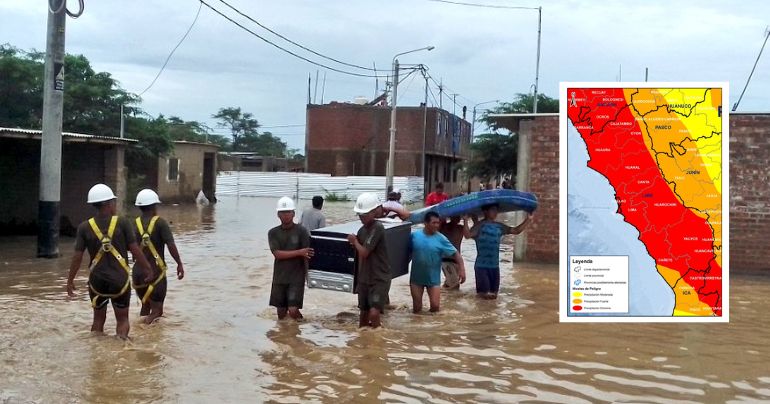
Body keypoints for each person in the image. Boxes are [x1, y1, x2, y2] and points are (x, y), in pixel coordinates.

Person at [67, 183, 153, 340]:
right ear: (108, 204)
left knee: (98, 321)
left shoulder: (84, 227)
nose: (114, 204)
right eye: (113, 201)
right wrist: (148, 269)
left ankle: (97, 355)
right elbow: (135, 250)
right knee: (122, 320)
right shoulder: (123, 223)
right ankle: (120, 352)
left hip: (96, 282)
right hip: (119, 281)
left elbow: (77, 257)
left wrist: (70, 280)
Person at [132, 189, 185, 324]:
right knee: (157, 311)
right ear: (154, 206)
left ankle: (141, 336)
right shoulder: (160, 223)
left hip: (137, 274)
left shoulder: (134, 224)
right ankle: (148, 335)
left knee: (145, 306)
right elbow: (171, 245)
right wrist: (179, 263)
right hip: (155, 274)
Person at [466, 205, 533, 299]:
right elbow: (467, 235)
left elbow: (516, 230)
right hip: (481, 267)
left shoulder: (499, 226)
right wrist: (465, 220)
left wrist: (528, 219)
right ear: (485, 211)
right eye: (493, 210)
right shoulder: (479, 226)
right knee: (483, 296)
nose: (495, 212)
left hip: (495, 267)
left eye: (496, 210)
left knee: (494, 297)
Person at [347, 192, 391, 328]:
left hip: (379, 278)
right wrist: (359, 280)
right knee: (363, 314)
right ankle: (365, 342)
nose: (362, 218)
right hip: (365, 279)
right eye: (360, 215)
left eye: (365, 215)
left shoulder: (377, 228)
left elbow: (365, 252)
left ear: (373, 212)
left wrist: (354, 242)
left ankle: (377, 338)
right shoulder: (362, 231)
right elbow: (360, 257)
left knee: (374, 313)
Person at [409, 212, 466, 313]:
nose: (436, 225)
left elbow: (456, 254)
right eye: (433, 223)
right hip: (416, 279)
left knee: (435, 307)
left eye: (438, 223)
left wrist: (462, 270)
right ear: (425, 223)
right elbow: (405, 253)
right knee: (417, 309)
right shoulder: (414, 236)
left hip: (433, 279)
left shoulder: (441, 238)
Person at [268, 196, 313, 320]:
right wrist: (299, 252)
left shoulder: (302, 231)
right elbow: (277, 254)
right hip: (279, 277)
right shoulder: (273, 233)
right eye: (283, 212)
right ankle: (285, 336)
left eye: (288, 212)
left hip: (296, 277)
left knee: (293, 310)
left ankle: (301, 326)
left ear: (293, 214)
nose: (286, 215)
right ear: (278, 215)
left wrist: (309, 276)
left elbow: (307, 254)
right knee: (281, 313)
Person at [439, 215, 471, 289]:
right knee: (455, 285)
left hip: (456, 260)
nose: (457, 218)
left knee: (450, 283)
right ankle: (446, 297)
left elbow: (467, 236)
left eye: (458, 217)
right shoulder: (444, 226)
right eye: (455, 216)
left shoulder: (460, 228)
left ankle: (442, 293)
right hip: (445, 259)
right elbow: (435, 232)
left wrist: (465, 220)